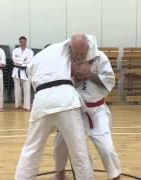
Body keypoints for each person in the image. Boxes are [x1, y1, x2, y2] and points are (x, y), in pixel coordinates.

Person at [14, 34, 94, 180]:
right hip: (65, 101)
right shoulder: (62, 46)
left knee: (31, 150)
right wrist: (83, 58)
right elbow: (80, 38)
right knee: (79, 150)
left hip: (41, 103)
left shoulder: (35, 60)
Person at [52, 34, 121, 180]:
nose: (78, 55)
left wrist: (89, 74)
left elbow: (109, 81)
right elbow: (59, 82)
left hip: (96, 111)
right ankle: (60, 173)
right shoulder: (67, 58)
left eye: (81, 52)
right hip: (74, 111)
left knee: (106, 148)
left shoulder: (100, 57)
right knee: (60, 143)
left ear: (88, 47)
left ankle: (115, 175)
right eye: (75, 52)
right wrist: (75, 77)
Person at [12, 36, 34, 111]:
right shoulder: (15, 50)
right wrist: (23, 61)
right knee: (17, 89)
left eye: (24, 41)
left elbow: (30, 62)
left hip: (26, 71)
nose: (22, 43)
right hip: (16, 72)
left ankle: (26, 106)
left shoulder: (30, 52)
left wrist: (20, 61)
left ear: (26, 42)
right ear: (19, 42)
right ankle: (17, 105)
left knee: (27, 89)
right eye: (21, 41)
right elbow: (14, 60)